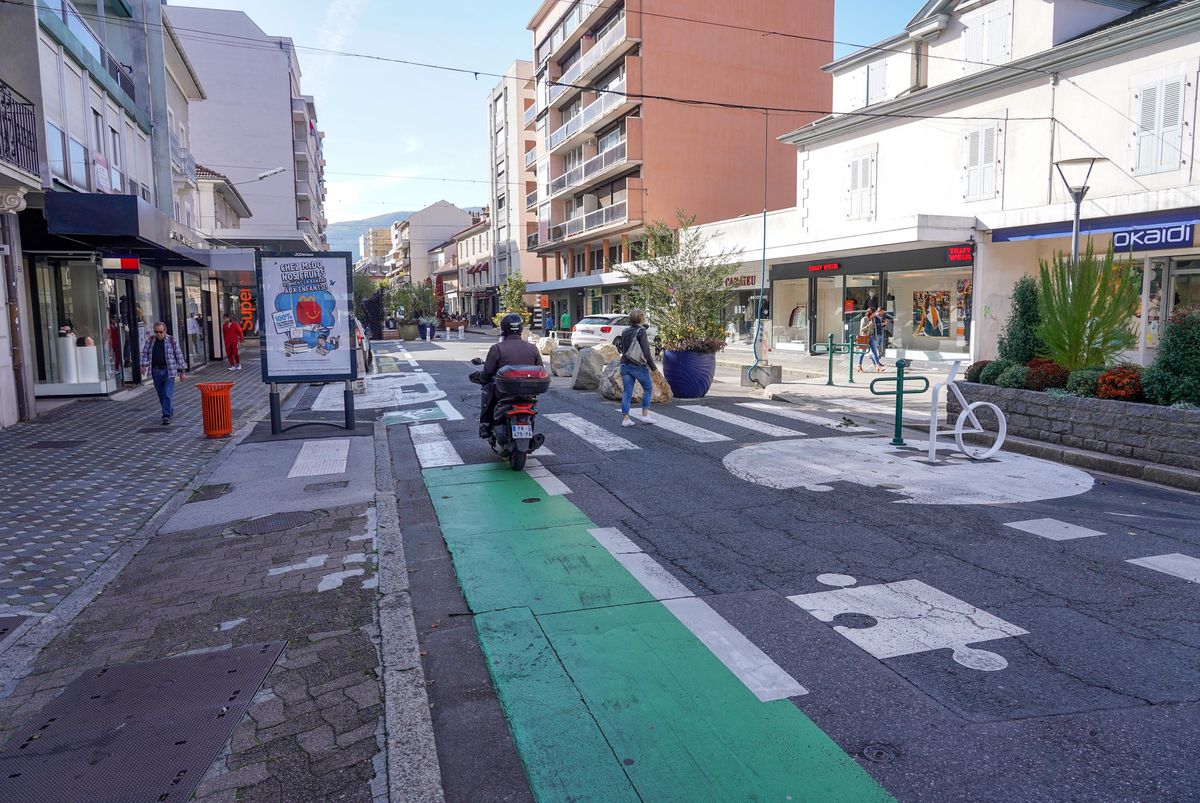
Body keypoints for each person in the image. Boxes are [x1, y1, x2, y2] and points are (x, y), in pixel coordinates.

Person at [478, 313, 542, 438]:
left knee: (488, 388)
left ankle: (485, 424)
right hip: (527, 393)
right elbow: (539, 368)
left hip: (504, 393)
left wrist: (481, 378)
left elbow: (487, 372)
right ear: (520, 329)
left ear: (503, 329)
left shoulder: (497, 348)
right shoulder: (532, 348)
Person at [140, 322, 187, 425]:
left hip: (169, 371)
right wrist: (143, 365)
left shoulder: (171, 340)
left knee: (167, 393)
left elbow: (179, 355)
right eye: (156, 332)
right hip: (156, 371)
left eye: (161, 332)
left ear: (165, 331)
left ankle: (166, 415)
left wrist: (182, 371)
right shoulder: (151, 340)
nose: (159, 334)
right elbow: (145, 353)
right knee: (161, 394)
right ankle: (169, 409)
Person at [619, 309, 657, 427]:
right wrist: (653, 367)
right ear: (641, 318)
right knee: (648, 388)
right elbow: (646, 352)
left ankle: (626, 419)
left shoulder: (625, 331)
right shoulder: (641, 331)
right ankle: (645, 415)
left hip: (625, 365)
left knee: (627, 393)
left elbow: (622, 348)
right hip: (638, 366)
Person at [857, 306, 882, 372]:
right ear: (871, 312)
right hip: (864, 337)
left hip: (872, 337)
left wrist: (875, 337)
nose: (875, 313)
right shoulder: (864, 319)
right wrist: (868, 325)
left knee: (874, 352)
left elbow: (875, 329)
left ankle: (877, 366)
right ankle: (859, 365)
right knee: (862, 352)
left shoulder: (873, 319)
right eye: (874, 312)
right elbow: (862, 329)